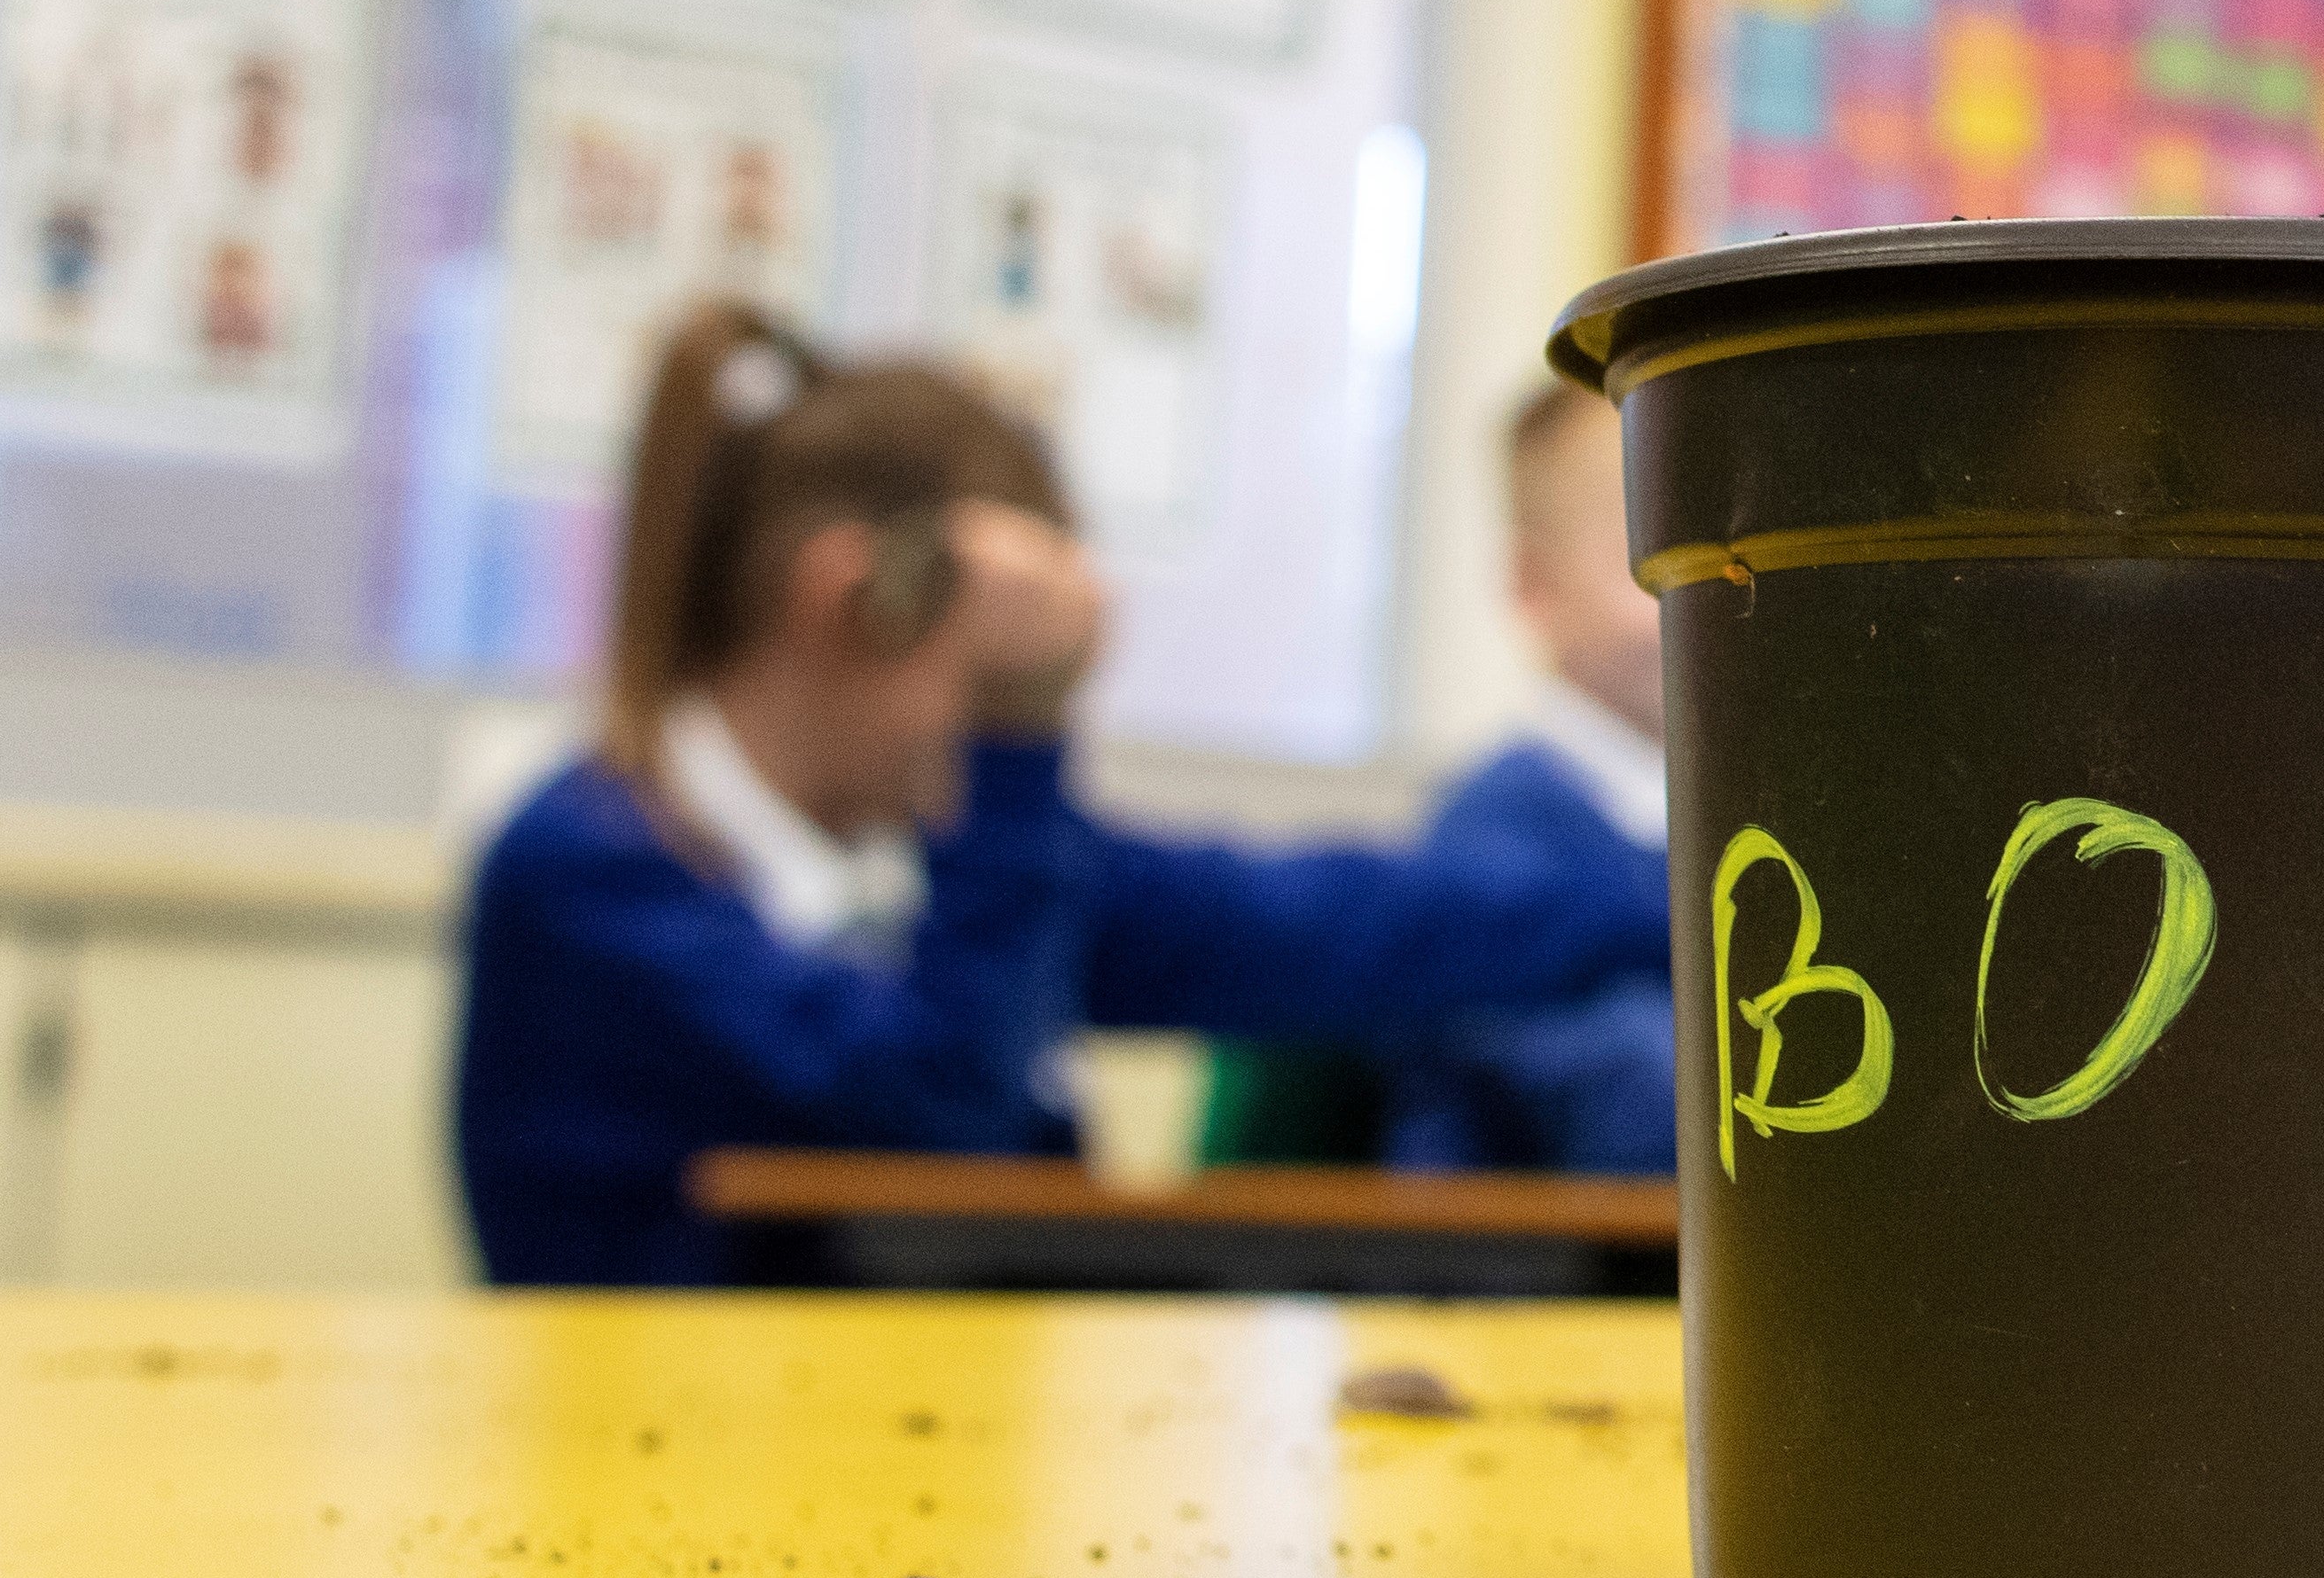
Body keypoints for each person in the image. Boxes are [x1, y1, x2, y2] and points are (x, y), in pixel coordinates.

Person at [455, 301, 1672, 1285]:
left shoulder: (916, 852)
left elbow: (1315, 922)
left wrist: (1688, 898)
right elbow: (942, 1130)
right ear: (846, 606)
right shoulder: (590, 873)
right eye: (1000, 669)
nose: (1016, 735)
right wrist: (1018, 740)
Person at [1373, 386, 1679, 1174]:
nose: (1706, 594)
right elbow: (1632, 1117)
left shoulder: (1744, 819)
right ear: (1532, 583)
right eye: (1653, 556)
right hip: (1526, 1277)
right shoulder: (1495, 833)